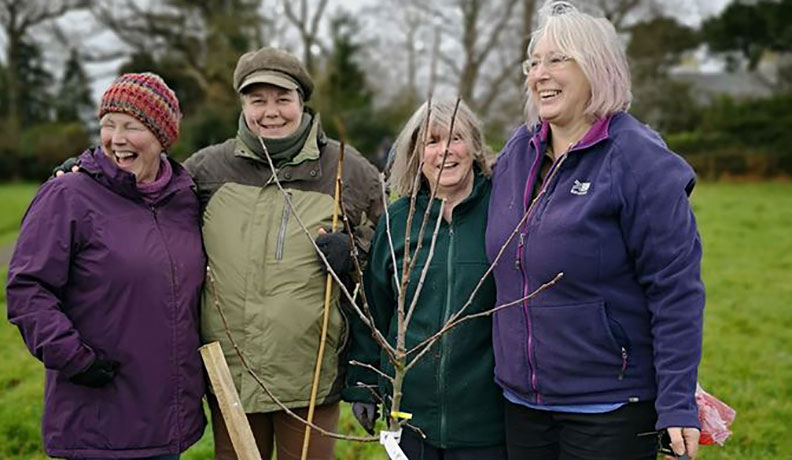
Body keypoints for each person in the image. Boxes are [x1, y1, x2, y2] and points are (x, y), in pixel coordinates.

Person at [485, 2, 705, 460]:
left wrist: (678, 404)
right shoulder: (516, 153)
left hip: (609, 407)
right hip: (520, 404)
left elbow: (676, 290)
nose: (539, 74)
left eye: (557, 59)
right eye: (534, 63)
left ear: (597, 67)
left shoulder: (639, 160)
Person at [183, 47, 383, 460]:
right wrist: (91, 171)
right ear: (242, 105)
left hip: (309, 373)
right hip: (232, 371)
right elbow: (142, 202)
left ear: (302, 102)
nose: (270, 112)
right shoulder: (207, 170)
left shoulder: (346, 168)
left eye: (282, 99)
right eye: (258, 100)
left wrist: (355, 250)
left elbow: (392, 245)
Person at [6, 73, 206, 459]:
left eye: (132, 126)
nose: (117, 138)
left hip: (167, 422)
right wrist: (74, 358)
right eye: (108, 125)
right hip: (97, 422)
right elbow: (27, 290)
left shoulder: (185, 200)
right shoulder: (68, 195)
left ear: (163, 136)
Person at [343, 99, 506, 459]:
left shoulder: (503, 213)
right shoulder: (397, 221)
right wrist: (364, 385)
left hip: (487, 421)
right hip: (409, 415)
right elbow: (374, 312)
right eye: (431, 142)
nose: (444, 151)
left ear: (476, 147)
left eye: (456, 138)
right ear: (417, 155)